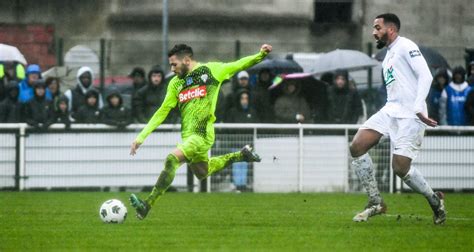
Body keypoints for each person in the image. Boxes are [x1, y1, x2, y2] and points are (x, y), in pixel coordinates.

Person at [128, 43, 272, 220]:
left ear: (187, 60)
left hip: (202, 134)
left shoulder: (211, 71)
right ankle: (240, 155)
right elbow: (162, 111)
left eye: (174, 64)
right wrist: (141, 136)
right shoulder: (175, 84)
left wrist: (260, 55)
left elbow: (239, 64)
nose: (172, 69)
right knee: (202, 173)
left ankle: (147, 204)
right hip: (188, 136)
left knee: (172, 159)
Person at [349, 13, 445, 224]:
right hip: (390, 110)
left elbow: (426, 75)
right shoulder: (388, 56)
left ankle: (434, 200)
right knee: (356, 146)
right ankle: (375, 202)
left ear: (390, 29)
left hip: (411, 115)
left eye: (377, 28)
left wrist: (419, 105)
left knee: (400, 169)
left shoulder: (405, 46)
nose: (374, 32)